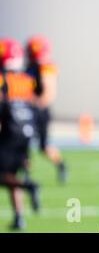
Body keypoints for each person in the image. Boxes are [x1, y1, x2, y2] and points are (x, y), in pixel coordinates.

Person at [0, 38, 41, 230]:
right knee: (11, 175)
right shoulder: (26, 79)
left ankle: (29, 187)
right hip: (26, 133)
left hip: (9, 133)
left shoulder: (3, 79)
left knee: (3, 175)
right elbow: (33, 106)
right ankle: (19, 217)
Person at [25, 35, 67, 184]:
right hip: (29, 109)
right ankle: (25, 175)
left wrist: (31, 104)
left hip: (38, 112)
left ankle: (61, 165)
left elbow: (48, 94)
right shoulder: (29, 66)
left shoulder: (46, 67)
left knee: (43, 146)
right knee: (22, 143)